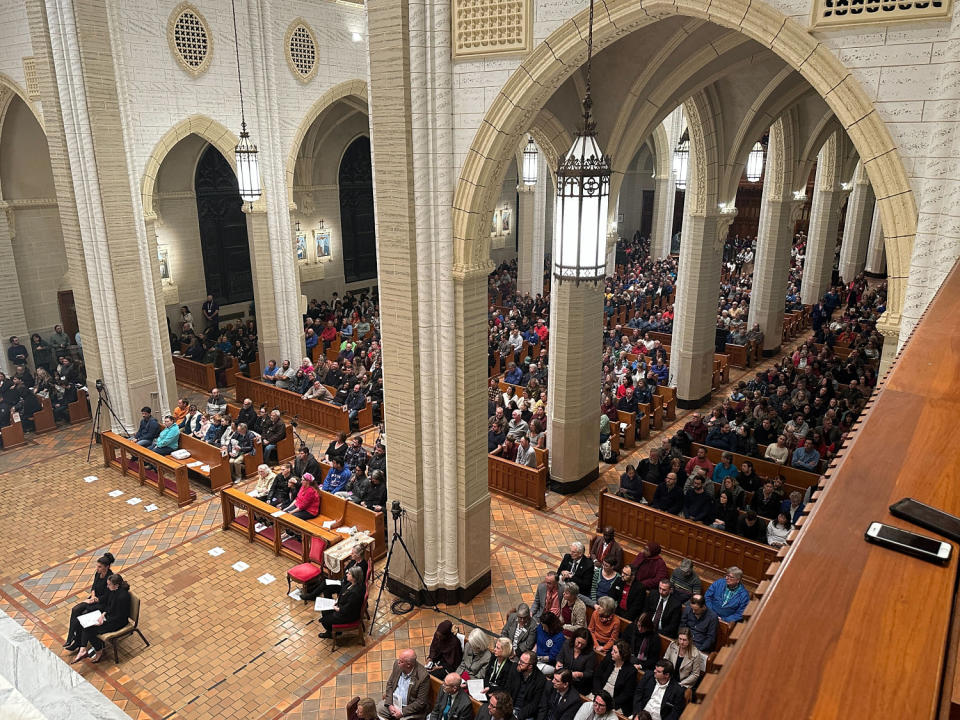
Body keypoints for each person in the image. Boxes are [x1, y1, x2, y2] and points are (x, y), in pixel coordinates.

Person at [72, 573, 131, 664]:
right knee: (85, 625)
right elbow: (109, 605)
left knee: (90, 629)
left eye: (109, 584)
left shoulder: (122, 597)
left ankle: (97, 651)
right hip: (109, 617)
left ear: (116, 585)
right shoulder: (113, 591)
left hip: (118, 622)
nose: (107, 587)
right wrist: (103, 614)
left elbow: (120, 616)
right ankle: (84, 649)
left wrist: (103, 621)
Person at [64, 552, 114, 651]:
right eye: (97, 566)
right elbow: (94, 586)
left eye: (100, 567)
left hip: (101, 603)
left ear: (107, 567)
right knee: (75, 609)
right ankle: (70, 638)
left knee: (82, 616)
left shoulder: (110, 578)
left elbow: (108, 596)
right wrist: (93, 595)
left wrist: (97, 599)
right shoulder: (98, 573)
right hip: (93, 598)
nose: (97, 568)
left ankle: (78, 642)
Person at [379, 649, 430, 720]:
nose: (398, 662)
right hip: (394, 703)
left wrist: (402, 712)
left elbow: (420, 702)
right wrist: (390, 704)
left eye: (401, 661)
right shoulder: (397, 665)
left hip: (410, 710)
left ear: (408, 665)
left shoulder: (423, 676)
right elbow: (390, 684)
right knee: (380, 708)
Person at [317, 565, 365, 638]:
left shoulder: (355, 593)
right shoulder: (351, 583)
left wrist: (336, 608)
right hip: (343, 606)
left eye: (349, 574)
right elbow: (343, 593)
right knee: (324, 611)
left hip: (348, 615)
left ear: (354, 577)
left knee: (324, 620)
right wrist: (337, 601)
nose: (347, 575)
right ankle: (332, 631)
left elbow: (347, 609)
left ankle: (333, 633)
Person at [592, 640, 637, 713]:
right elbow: (597, 676)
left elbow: (626, 694)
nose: (612, 653)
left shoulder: (631, 671)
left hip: (615, 702)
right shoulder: (608, 658)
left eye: (615, 652)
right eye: (612, 650)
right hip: (599, 693)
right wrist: (598, 694)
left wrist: (610, 703)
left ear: (623, 655)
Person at [513, 651, 549, 720]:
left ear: (530, 666)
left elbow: (534, 704)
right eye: (519, 660)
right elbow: (508, 690)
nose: (519, 663)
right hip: (510, 707)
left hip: (526, 713)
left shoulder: (540, 679)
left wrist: (518, 716)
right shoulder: (515, 668)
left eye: (522, 662)